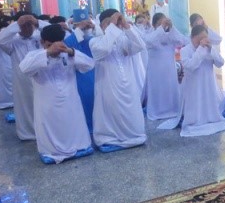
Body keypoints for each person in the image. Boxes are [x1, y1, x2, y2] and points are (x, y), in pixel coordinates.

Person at [19, 24, 95, 164]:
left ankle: (79, 146)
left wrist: (72, 51)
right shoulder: (35, 55)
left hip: (71, 102)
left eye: (57, 44)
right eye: (49, 45)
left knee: (75, 129)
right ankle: (53, 151)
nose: (55, 48)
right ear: (42, 42)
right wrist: (47, 53)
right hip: (48, 106)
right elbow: (24, 68)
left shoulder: (68, 54)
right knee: (51, 133)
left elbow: (90, 65)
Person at [90, 9, 146, 152]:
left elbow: (140, 46)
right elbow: (104, 49)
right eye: (109, 23)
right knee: (111, 111)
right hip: (108, 85)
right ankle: (111, 138)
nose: (114, 25)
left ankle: (132, 135)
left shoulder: (123, 40)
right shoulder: (95, 41)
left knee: (131, 110)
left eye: (116, 22)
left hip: (127, 84)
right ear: (102, 25)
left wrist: (127, 27)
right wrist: (113, 28)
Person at [0, 14, 47, 140]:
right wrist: (16, 24)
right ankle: (28, 132)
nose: (28, 29)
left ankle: (45, 130)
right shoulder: (13, 43)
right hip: (22, 80)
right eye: (24, 26)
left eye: (30, 26)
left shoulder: (40, 38)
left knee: (44, 105)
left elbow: (54, 31)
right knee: (26, 106)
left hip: (42, 77)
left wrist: (37, 22)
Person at [178, 24, 225, 137]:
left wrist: (212, 50)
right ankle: (195, 120)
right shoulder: (185, 50)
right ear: (193, 38)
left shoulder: (209, 48)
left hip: (208, 83)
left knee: (208, 102)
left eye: (205, 37)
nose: (203, 40)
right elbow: (191, 65)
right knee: (196, 105)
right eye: (200, 38)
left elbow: (220, 63)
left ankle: (211, 117)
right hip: (193, 86)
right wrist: (201, 49)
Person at [144, 13, 188, 121]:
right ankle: (158, 112)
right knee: (158, 91)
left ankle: (172, 110)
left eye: (164, 23)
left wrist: (173, 28)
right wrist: (161, 28)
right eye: (159, 24)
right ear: (154, 25)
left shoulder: (170, 36)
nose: (163, 26)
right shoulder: (151, 36)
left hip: (169, 71)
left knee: (170, 89)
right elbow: (149, 41)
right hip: (156, 72)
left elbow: (183, 41)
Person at [64, 10, 97, 134]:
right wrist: (80, 29)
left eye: (88, 24)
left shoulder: (94, 38)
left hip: (98, 75)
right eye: (82, 25)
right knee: (85, 103)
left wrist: (94, 28)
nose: (86, 28)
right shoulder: (69, 40)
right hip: (80, 77)